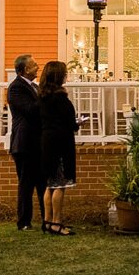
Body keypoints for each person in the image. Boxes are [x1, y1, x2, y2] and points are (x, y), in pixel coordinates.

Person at [39, 60, 81, 235]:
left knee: (49, 184)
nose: (66, 76)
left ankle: (47, 221)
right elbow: (70, 123)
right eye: (64, 73)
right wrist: (77, 123)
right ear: (58, 76)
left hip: (47, 141)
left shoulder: (42, 97)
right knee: (59, 184)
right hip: (60, 142)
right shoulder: (60, 99)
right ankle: (57, 222)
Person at [8, 54, 45, 230]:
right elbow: (30, 110)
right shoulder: (16, 88)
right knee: (26, 184)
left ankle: (48, 217)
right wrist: (45, 96)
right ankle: (23, 221)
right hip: (24, 143)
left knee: (42, 182)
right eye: (34, 65)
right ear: (24, 70)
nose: (38, 67)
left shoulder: (35, 87)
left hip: (38, 142)